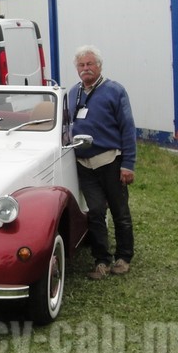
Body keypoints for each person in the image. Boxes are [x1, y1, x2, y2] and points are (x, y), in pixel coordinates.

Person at [68, 44, 137, 280]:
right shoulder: (73, 93)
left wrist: (128, 164)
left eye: (90, 64)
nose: (85, 68)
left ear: (99, 66)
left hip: (110, 161)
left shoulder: (115, 91)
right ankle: (102, 260)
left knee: (119, 210)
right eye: (81, 65)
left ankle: (124, 257)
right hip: (84, 164)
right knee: (95, 211)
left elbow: (127, 129)